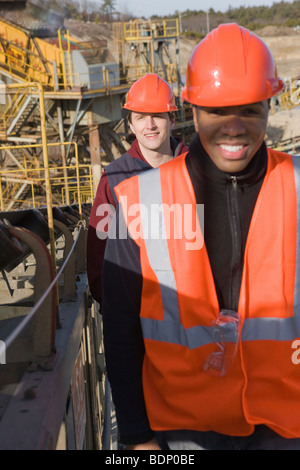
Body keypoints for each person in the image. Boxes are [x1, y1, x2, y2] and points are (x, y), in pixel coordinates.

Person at [102, 23, 300, 450]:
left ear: (270, 106)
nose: (234, 127)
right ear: (192, 111)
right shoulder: (136, 201)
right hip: (184, 430)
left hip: (287, 423)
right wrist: (136, 439)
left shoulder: (299, 187)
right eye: (216, 110)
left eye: (250, 110)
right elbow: (119, 328)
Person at [86, 73, 187, 308]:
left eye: (157, 116)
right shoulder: (114, 179)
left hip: (195, 314)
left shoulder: (197, 170)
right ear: (131, 124)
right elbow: (99, 248)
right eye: (141, 117)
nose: (149, 125)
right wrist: (113, 307)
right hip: (137, 315)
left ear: (172, 120)